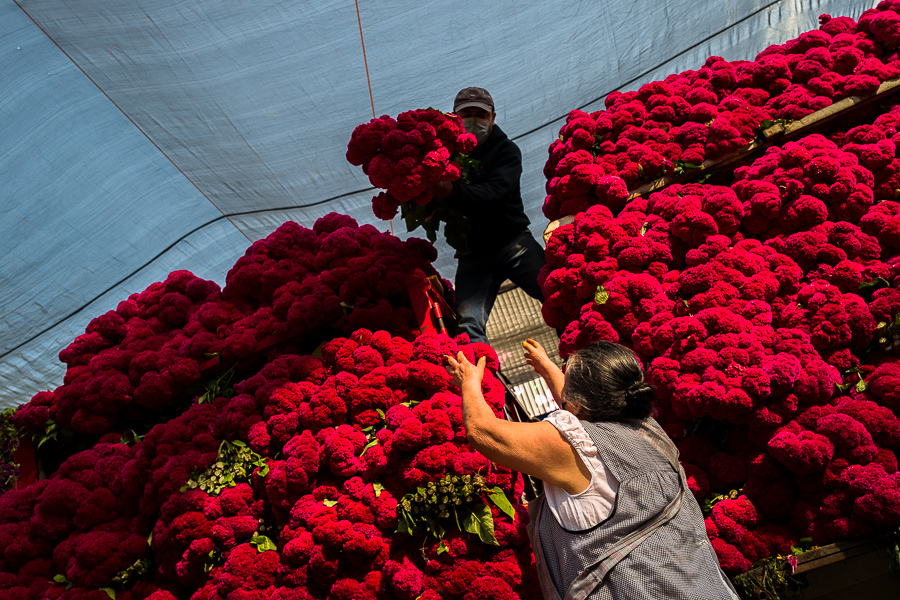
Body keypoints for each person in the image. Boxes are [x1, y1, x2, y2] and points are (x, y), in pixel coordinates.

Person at [445, 339, 741, 600]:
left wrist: (469, 382)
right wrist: (549, 370)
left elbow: (485, 432)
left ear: (577, 400)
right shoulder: (644, 425)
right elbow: (586, 408)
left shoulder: (575, 446)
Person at [432, 87, 546, 344]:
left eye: (481, 115)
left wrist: (451, 190)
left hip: (513, 243)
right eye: (467, 115)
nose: (474, 121)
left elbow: (494, 192)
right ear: (454, 120)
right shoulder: (445, 155)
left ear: (493, 117)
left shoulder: (506, 151)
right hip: (474, 256)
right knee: (467, 327)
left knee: (557, 296)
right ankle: (483, 383)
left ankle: (585, 365)